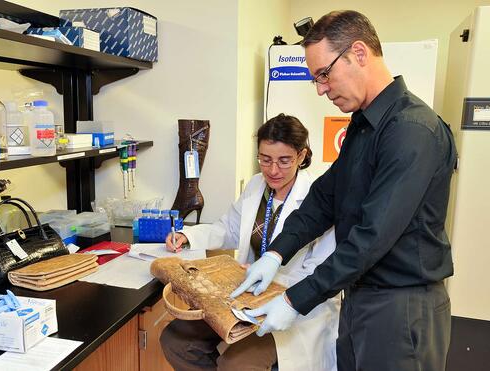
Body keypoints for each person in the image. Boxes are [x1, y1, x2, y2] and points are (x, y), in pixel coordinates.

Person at [231, 10, 457, 371]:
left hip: (401, 307)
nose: (321, 88)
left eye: (324, 74)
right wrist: (276, 253)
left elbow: (372, 237)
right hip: (359, 298)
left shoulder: (411, 129)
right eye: (315, 79)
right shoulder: (364, 125)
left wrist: (294, 300)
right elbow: (325, 197)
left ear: (359, 53)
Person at [160, 113, 339, 371]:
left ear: (301, 156)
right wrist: (190, 236)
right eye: (265, 160)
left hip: (295, 310)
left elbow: (320, 273)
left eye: (284, 161)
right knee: (176, 339)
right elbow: (229, 229)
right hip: (243, 302)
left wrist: (268, 280)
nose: (273, 170)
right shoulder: (256, 186)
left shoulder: (318, 199)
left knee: (236, 363)